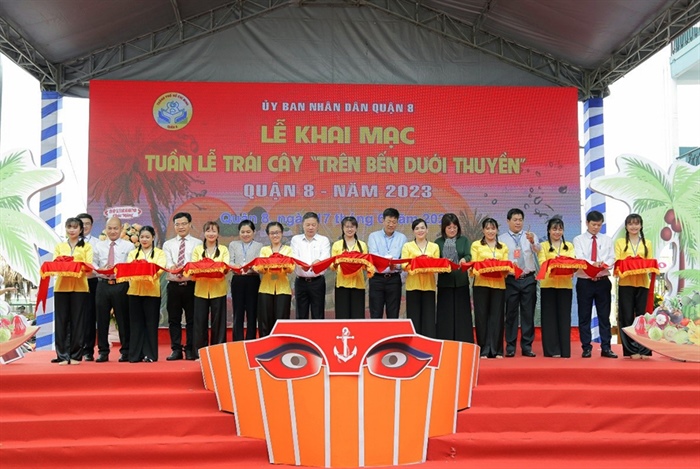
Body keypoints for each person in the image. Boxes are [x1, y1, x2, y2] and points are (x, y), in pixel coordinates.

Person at [574, 210, 617, 359]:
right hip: (585, 281)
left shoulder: (607, 240)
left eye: (599, 225)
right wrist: (594, 264)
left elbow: (612, 258)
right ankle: (586, 347)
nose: (596, 228)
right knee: (584, 316)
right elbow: (580, 258)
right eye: (593, 224)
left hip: (602, 281)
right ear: (587, 223)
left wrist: (603, 264)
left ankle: (606, 347)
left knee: (604, 316)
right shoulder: (578, 239)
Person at [53, 217, 94, 365]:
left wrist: (73, 266)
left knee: (78, 321)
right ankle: (62, 355)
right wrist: (71, 266)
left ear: (81, 230)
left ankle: (76, 355)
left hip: (80, 288)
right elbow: (55, 266)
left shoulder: (87, 247)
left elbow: (89, 268)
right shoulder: (59, 246)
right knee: (61, 321)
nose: (72, 230)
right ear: (65, 228)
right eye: (69, 227)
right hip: (61, 287)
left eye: (75, 227)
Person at [93, 216, 133, 362]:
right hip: (103, 284)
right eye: (109, 228)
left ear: (121, 229)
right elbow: (93, 263)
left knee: (123, 319)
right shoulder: (99, 245)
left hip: (121, 284)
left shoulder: (128, 246)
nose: (112, 231)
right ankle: (103, 351)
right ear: (105, 229)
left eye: (116, 228)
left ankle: (126, 351)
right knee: (102, 319)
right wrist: (100, 269)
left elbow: (130, 265)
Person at [162, 212, 202, 360]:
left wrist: (186, 270)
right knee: (174, 319)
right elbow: (167, 262)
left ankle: (190, 349)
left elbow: (197, 262)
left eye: (184, 223)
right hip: (173, 285)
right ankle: (176, 349)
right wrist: (175, 268)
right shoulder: (168, 244)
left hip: (191, 285)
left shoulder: (198, 243)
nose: (181, 227)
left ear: (190, 224)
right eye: (177, 224)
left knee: (192, 319)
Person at [502, 208, 540, 357]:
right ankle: (510, 347)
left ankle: (527, 346)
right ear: (508, 221)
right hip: (511, 279)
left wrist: (533, 242)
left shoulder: (530, 236)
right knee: (510, 314)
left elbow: (538, 250)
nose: (518, 222)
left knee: (528, 314)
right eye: (515, 220)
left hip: (528, 279)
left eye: (520, 220)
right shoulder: (502, 238)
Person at [615, 214, 653, 359]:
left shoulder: (647, 243)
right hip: (626, 283)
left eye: (636, 224)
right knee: (627, 317)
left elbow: (650, 263)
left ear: (641, 226)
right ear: (626, 226)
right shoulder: (619, 243)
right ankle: (630, 350)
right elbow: (618, 262)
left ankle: (644, 349)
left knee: (643, 317)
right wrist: (631, 262)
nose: (634, 227)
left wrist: (639, 263)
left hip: (643, 283)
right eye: (630, 224)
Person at [126, 226, 166, 362]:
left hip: (152, 292)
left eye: (147, 237)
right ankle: (135, 355)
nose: (144, 239)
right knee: (136, 324)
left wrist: (144, 271)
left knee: (151, 324)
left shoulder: (159, 253)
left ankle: (150, 355)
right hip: (134, 292)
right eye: (142, 237)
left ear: (153, 238)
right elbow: (129, 269)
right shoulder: (133, 253)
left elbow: (159, 270)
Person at [470, 218, 509, 359]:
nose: (490, 231)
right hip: (481, 284)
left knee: (497, 317)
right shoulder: (476, 245)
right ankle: (484, 350)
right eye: (487, 228)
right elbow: (475, 264)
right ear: (483, 230)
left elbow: (506, 266)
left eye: (493, 229)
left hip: (499, 284)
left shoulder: (503, 247)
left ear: (497, 230)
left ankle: (497, 350)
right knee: (481, 317)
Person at [537, 218, 575, 358]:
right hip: (548, 285)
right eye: (554, 229)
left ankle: (565, 351)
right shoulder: (544, 246)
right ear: (549, 230)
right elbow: (543, 263)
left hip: (565, 285)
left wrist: (559, 263)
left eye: (560, 229)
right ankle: (551, 351)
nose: (557, 232)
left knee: (564, 318)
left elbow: (571, 262)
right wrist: (558, 263)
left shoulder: (569, 246)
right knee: (549, 319)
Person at [191, 221, 230, 358]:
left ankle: (217, 353)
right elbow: (193, 267)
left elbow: (225, 268)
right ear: (204, 233)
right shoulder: (197, 250)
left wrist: (209, 268)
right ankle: (199, 353)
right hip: (200, 290)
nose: (211, 234)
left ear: (218, 234)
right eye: (208, 231)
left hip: (218, 289)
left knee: (218, 322)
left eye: (214, 231)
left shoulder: (224, 249)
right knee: (200, 322)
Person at [435, 213, 473, 343]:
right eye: (449, 227)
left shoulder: (464, 240)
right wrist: (443, 262)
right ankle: (445, 341)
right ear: (444, 228)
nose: (452, 230)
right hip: (445, 282)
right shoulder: (438, 242)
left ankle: (464, 341)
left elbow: (468, 255)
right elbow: (435, 260)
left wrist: (464, 259)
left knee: (462, 314)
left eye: (455, 227)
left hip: (461, 281)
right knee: (445, 314)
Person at [401, 218, 439, 337]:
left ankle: (430, 345)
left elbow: (437, 264)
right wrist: (418, 264)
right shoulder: (407, 246)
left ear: (427, 230)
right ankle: (414, 345)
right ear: (413, 231)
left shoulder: (434, 247)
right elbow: (403, 265)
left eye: (422, 228)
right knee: (414, 318)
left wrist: (425, 265)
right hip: (413, 286)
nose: (420, 230)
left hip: (429, 287)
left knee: (429, 319)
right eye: (417, 228)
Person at [367, 208, 407, 319]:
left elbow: (403, 259)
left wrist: (396, 265)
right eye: (388, 221)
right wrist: (386, 262)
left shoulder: (402, 238)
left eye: (394, 222)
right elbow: (373, 256)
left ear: (397, 222)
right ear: (383, 221)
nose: (391, 225)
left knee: (393, 313)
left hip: (394, 279)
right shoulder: (373, 236)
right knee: (376, 313)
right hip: (377, 279)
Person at [291, 212, 331, 320]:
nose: (310, 227)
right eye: (308, 225)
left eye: (313, 225)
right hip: (301, 281)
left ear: (318, 225)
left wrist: (319, 262)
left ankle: (318, 336)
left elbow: (325, 257)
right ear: (303, 225)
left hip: (317, 282)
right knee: (301, 314)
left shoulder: (324, 240)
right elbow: (294, 256)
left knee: (318, 314)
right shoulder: (296, 240)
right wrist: (302, 265)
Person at [257, 222, 293, 337]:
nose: (275, 235)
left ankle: (281, 349)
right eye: (272, 233)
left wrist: (277, 263)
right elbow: (259, 268)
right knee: (265, 321)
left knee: (281, 321)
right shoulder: (264, 250)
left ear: (282, 234)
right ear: (268, 235)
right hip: (265, 289)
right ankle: (265, 347)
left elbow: (291, 268)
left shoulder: (288, 250)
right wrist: (272, 264)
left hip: (283, 289)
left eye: (277, 232)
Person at [229, 220, 262, 340]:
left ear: (254, 232)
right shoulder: (233, 244)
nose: (245, 234)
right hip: (237, 279)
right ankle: (237, 340)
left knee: (252, 311)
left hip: (253, 279)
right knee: (238, 311)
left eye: (248, 231)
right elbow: (230, 262)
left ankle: (250, 339)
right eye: (242, 232)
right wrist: (236, 267)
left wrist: (253, 268)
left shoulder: (259, 246)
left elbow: (259, 263)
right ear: (239, 233)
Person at [331, 217, 369, 319]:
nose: (349, 229)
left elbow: (366, 265)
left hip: (358, 284)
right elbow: (332, 266)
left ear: (356, 228)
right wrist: (338, 262)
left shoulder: (362, 245)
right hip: (342, 284)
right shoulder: (337, 245)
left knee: (358, 315)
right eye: (347, 227)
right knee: (342, 314)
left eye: (352, 226)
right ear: (342, 228)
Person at [77, 212, 99, 361]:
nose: (84, 226)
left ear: (91, 226)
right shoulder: (68, 243)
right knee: (75, 316)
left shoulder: (98, 243)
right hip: (75, 282)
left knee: (90, 317)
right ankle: (73, 350)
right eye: (81, 224)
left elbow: (99, 264)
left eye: (87, 224)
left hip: (92, 282)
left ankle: (88, 350)